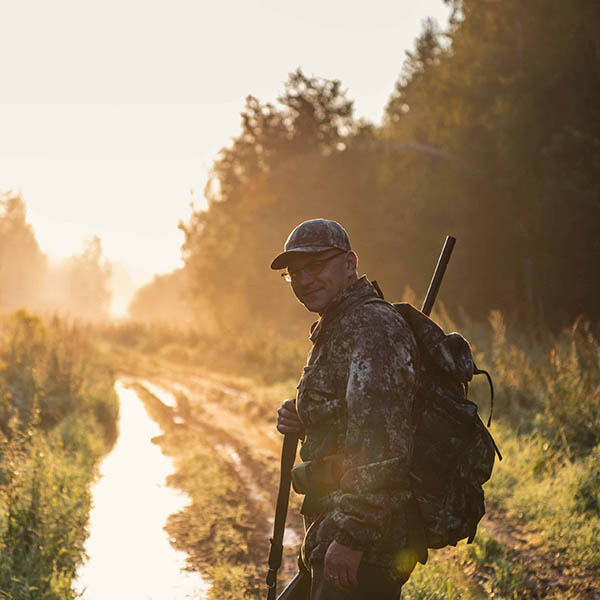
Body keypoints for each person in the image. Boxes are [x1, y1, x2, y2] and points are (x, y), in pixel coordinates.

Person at [273, 219, 427, 600]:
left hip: (365, 542)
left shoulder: (371, 328)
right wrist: (308, 418)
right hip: (333, 526)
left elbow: (383, 445)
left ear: (350, 263)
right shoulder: (339, 324)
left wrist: (353, 537)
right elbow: (354, 418)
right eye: (295, 273)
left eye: (316, 266)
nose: (304, 280)